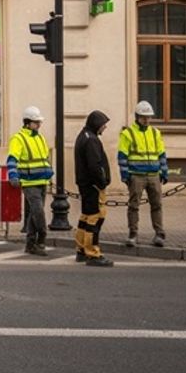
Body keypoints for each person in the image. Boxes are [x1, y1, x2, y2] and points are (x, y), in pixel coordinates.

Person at [117, 101, 168, 247]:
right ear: (137, 117)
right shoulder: (128, 134)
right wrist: (125, 175)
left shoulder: (155, 132)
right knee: (134, 205)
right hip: (136, 175)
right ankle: (133, 234)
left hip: (153, 174)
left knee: (157, 204)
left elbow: (161, 154)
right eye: (144, 117)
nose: (147, 120)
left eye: (149, 117)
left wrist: (164, 171)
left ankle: (159, 234)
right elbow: (122, 156)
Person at [6, 106, 53, 256]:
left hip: (42, 181)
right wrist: (13, 176)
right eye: (36, 122)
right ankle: (42, 238)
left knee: (34, 213)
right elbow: (12, 159)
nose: (39, 125)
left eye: (39, 122)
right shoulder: (18, 138)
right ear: (27, 122)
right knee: (38, 212)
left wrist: (49, 173)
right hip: (29, 182)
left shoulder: (39, 137)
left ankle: (30, 244)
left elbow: (45, 158)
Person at [75, 110, 114, 267]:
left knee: (85, 217)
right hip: (93, 186)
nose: (105, 127)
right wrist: (102, 182)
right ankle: (93, 253)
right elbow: (95, 166)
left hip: (85, 184)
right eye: (103, 124)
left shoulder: (84, 135)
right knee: (95, 219)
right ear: (96, 124)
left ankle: (81, 249)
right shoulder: (92, 140)